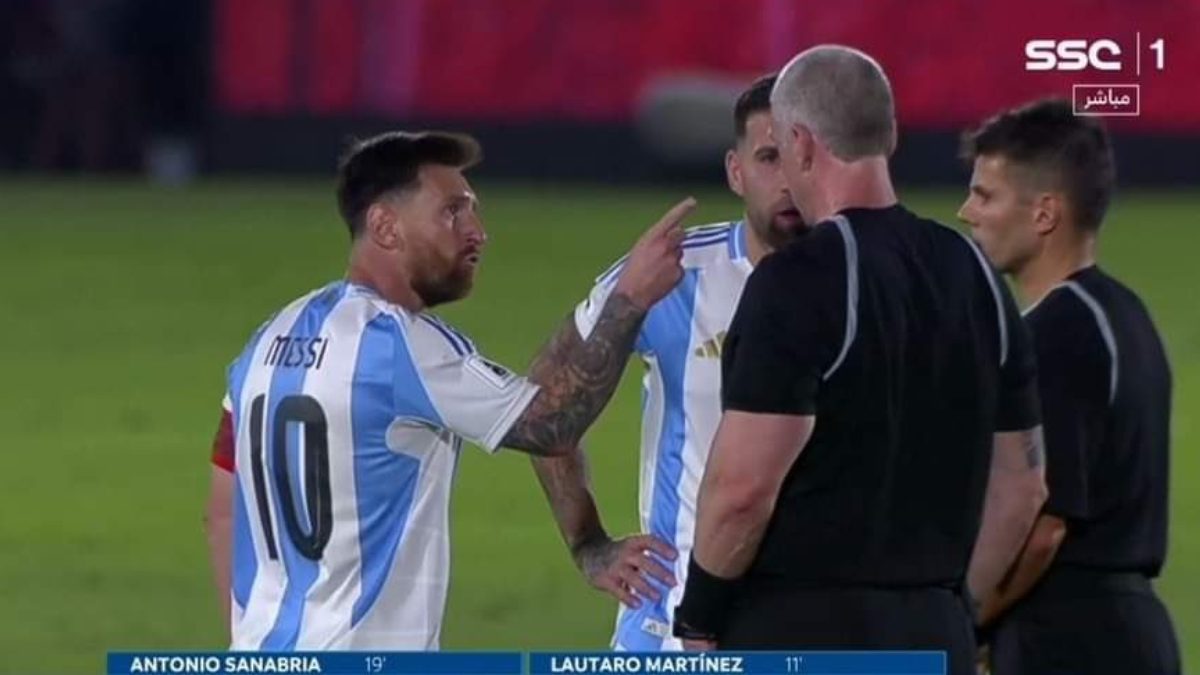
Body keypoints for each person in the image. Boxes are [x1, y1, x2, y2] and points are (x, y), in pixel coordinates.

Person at [202, 130, 695, 649]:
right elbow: (555, 422)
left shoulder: (267, 339)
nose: (477, 232)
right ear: (385, 226)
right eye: (452, 212)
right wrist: (630, 299)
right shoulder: (400, 344)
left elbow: (221, 509)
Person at [670, 45, 1047, 675]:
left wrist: (700, 612)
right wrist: (953, 602)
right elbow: (1023, 484)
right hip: (936, 634)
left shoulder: (798, 280)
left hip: (800, 636)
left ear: (800, 144)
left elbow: (742, 490)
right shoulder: (976, 273)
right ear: (890, 135)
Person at [530, 74, 808, 651]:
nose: (787, 181)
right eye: (768, 158)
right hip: (671, 630)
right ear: (736, 172)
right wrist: (588, 543)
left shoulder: (872, 281)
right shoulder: (674, 277)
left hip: (816, 625)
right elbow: (541, 401)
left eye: (803, 158)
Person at [958, 98, 1180, 675]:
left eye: (986, 195)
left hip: (1069, 639)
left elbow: (1042, 527)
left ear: (1044, 214)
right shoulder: (1125, 314)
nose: (966, 212)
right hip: (1130, 631)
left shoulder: (1055, 333)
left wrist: (965, 625)